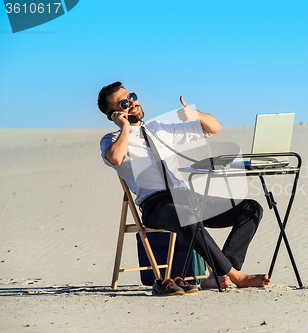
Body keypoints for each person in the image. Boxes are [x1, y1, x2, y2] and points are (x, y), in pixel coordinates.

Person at [98, 82, 271, 293]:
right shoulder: (112, 140)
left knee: (250, 209)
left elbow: (214, 127)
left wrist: (196, 114)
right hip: (156, 205)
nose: (132, 103)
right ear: (114, 114)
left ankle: (216, 276)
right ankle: (235, 275)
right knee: (187, 215)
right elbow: (116, 158)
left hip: (186, 196)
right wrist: (125, 127)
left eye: (132, 96)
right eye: (124, 103)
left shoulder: (158, 128)